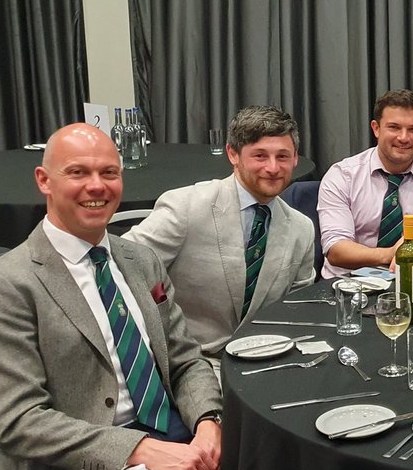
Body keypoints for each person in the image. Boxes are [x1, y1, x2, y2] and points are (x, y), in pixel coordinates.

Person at [0, 124, 224, 470]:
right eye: (78, 172)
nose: (97, 186)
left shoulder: (140, 260)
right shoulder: (3, 284)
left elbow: (185, 359)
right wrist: (141, 449)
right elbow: (19, 421)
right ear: (44, 180)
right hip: (80, 464)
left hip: (174, 429)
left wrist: (208, 422)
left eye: (108, 172)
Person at [127, 106, 316, 361]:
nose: (273, 168)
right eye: (260, 156)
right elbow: (122, 266)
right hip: (190, 362)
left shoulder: (301, 229)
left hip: (267, 358)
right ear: (232, 154)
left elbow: (297, 309)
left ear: (295, 159)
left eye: (282, 157)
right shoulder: (186, 207)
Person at [318, 89, 413, 278]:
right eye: (394, 127)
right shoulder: (342, 176)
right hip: (347, 287)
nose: (403, 137)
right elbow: (336, 249)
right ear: (376, 128)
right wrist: (392, 253)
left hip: (411, 281)